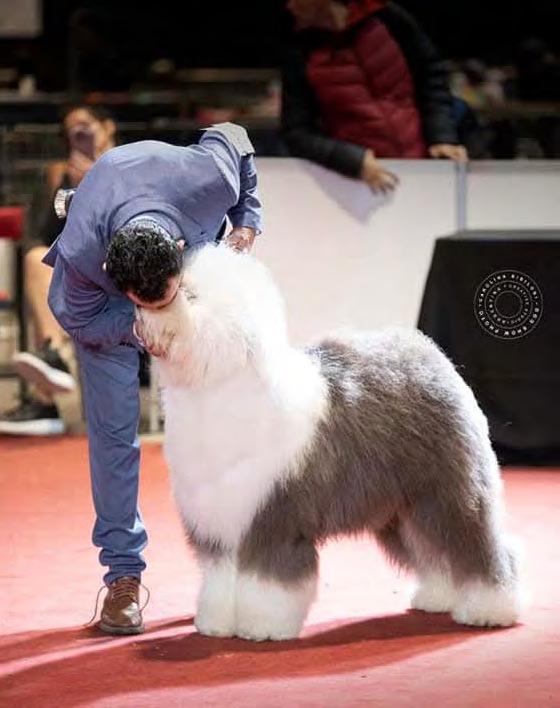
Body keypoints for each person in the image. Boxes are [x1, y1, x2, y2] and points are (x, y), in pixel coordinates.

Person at [42, 122, 261, 635]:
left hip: (188, 277)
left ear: (180, 251)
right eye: (147, 301)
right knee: (114, 439)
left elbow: (234, 135)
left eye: (163, 299)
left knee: (229, 419)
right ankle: (122, 577)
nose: (157, 310)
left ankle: (236, 557)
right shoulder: (81, 260)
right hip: (110, 314)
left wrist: (248, 221)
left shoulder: (210, 180)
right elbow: (79, 320)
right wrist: (139, 326)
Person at [0, 104, 117, 436]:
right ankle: (53, 355)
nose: (79, 134)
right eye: (72, 130)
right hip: (76, 268)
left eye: (85, 125)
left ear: (107, 126)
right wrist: (70, 191)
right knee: (36, 259)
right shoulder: (61, 173)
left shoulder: (129, 164)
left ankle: (46, 397)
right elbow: (45, 235)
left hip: (118, 266)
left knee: (54, 286)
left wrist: (99, 184)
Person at [282, 0, 467, 193]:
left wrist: (442, 136)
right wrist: (351, 161)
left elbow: (431, 76)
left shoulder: (386, 17)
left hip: (424, 171)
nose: (290, 6)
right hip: (358, 186)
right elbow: (296, 133)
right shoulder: (299, 53)